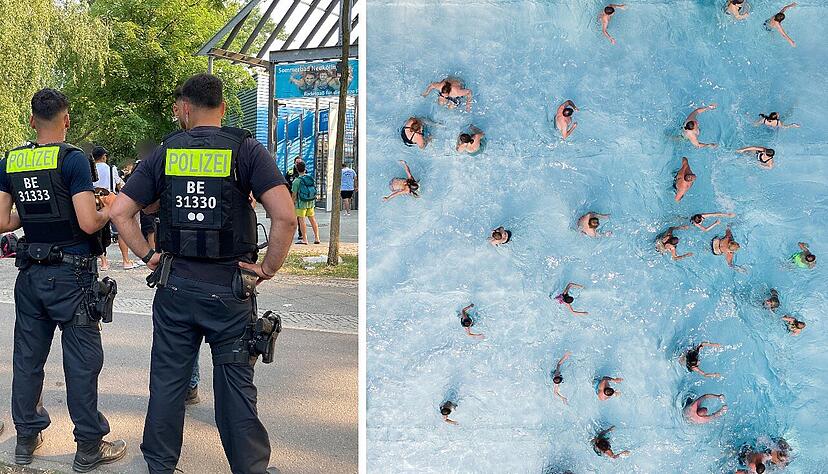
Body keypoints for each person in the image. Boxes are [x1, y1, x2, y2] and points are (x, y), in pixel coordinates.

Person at [110, 73, 295, 473]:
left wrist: (148, 256)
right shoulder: (246, 150)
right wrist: (266, 268)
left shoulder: (164, 152)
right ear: (224, 108)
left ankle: (160, 466)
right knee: (234, 389)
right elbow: (285, 216)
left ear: (186, 109)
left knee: (168, 384)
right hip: (229, 291)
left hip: (175, 287)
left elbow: (119, 212)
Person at [0, 88, 127, 470]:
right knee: (82, 362)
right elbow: (88, 222)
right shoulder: (73, 160)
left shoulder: (12, 160)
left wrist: (34, 213)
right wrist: (107, 209)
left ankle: (26, 439)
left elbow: (4, 222)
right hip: (73, 275)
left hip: (30, 274)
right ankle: (88, 446)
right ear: (66, 119)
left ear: (31, 120)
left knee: (27, 359)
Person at [92, 146, 141, 270]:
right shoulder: (111, 169)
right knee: (120, 230)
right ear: (104, 157)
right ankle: (126, 260)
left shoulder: (89, 169)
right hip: (110, 201)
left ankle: (104, 262)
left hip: (96, 203)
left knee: (98, 233)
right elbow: (121, 186)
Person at [292, 160, 321, 245]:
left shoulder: (296, 181)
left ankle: (304, 239)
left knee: (302, 220)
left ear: (296, 169)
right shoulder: (309, 177)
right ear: (305, 169)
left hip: (301, 203)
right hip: (310, 202)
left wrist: (292, 204)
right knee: (312, 219)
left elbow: (294, 195)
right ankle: (317, 238)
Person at [284, 157, 304, 241]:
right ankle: (287, 233)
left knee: (300, 217)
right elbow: (285, 182)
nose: (298, 164)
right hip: (291, 195)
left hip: (301, 197)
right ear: (294, 163)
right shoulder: (290, 172)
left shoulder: (304, 172)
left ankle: (301, 234)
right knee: (290, 216)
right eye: (297, 162)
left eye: (300, 162)